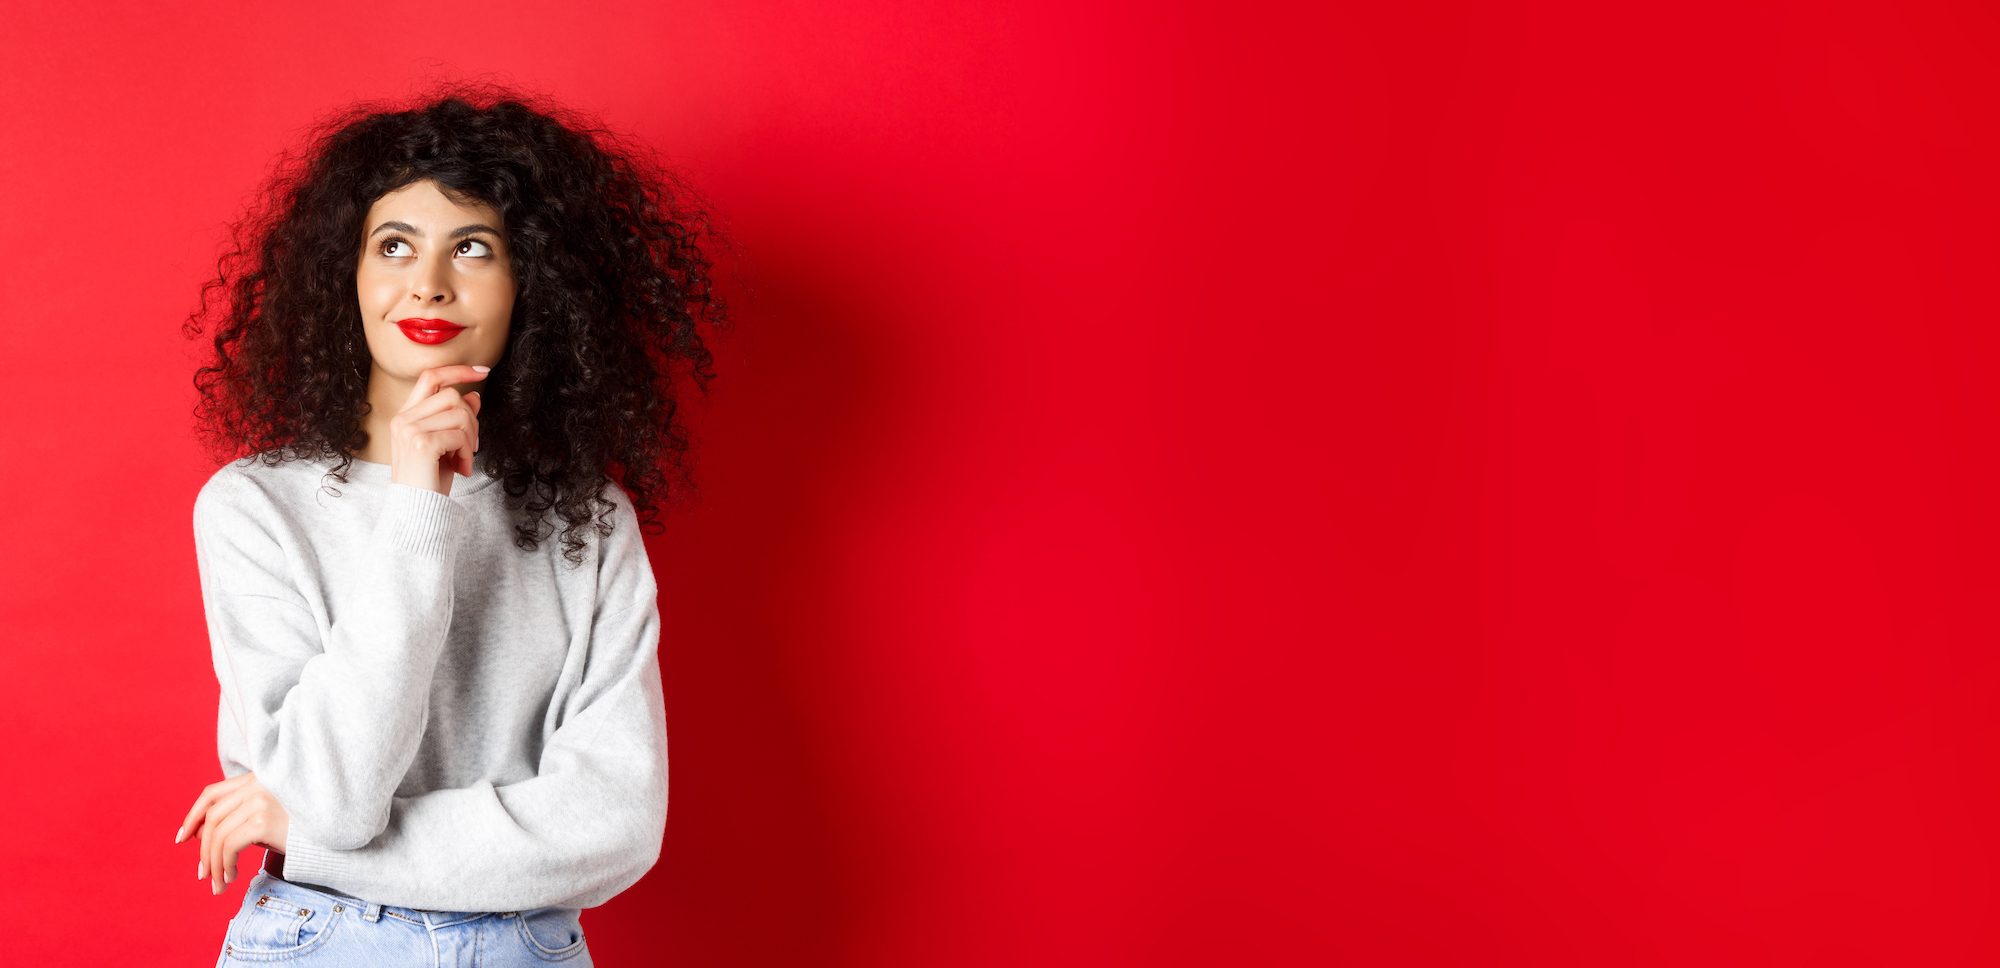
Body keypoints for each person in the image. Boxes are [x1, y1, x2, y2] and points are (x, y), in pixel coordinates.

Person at [173, 85, 727, 966]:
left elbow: (614, 825)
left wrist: (315, 843)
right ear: (346, 275)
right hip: (321, 944)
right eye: (394, 245)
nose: (428, 283)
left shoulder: (588, 519)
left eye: (473, 248)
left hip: (524, 948)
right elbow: (336, 794)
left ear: (531, 283)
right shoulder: (254, 509)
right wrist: (418, 505)